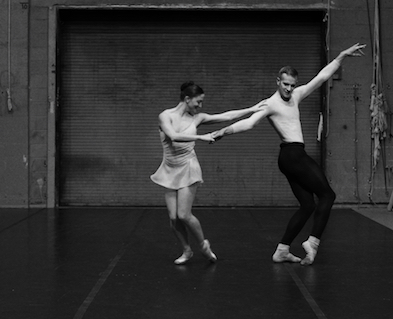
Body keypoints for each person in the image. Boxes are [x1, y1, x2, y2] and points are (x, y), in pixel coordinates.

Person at [211, 43, 366, 266]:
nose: (289, 89)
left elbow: (321, 78)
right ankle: (312, 243)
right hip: (292, 155)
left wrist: (341, 56)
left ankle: (282, 249)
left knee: (308, 206)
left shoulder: (297, 95)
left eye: (292, 85)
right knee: (328, 196)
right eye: (285, 85)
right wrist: (223, 132)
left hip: (291, 157)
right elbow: (249, 123)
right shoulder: (270, 103)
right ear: (277, 81)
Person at [151, 81, 265, 265]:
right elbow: (173, 136)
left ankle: (204, 245)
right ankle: (187, 250)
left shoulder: (198, 118)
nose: (200, 106)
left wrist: (252, 109)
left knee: (183, 215)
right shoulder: (165, 116)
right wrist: (200, 137)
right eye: (198, 101)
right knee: (173, 218)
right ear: (187, 99)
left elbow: (226, 116)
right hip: (169, 168)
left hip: (188, 166)